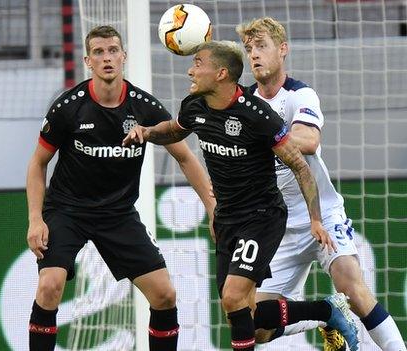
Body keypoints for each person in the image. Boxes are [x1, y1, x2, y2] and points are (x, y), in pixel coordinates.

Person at [123, 40, 360, 351]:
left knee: (234, 297)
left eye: (198, 63)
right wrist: (147, 132)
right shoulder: (194, 106)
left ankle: (328, 312)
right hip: (228, 219)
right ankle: (326, 311)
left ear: (221, 73)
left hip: (262, 217)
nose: (190, 70)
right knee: (241, 312)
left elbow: (301, 167)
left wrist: (316, 219)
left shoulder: (257, 115)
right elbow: (174, 130)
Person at [26, 25, 216, 351]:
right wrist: (35, 219)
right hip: (67, 210)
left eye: (113, 50)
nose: (107, 58)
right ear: (88, 60)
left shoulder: (145, 108)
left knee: (164, 294)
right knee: (50, 286)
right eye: (99, 52)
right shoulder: (68, 107)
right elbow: (37, 164)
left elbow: (185, 158)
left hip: (117, 214)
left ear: (123, 56)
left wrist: (214, 207)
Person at [236, 17, 406, 351]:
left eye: (262, 46)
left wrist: (263, 136)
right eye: (249, 48)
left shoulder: (299, 94)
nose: (254, 54)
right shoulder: (244, 105)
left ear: (282, 50)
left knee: (352, 286)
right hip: (278, 227)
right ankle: (325, 315)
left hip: (322, 214)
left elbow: (309, 140)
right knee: (254, 326)